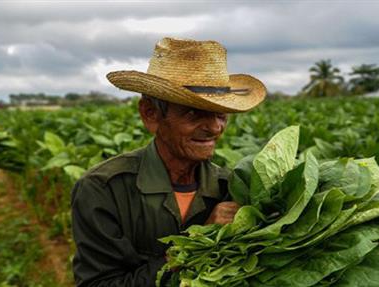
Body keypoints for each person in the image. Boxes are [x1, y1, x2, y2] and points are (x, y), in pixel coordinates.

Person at [71, 37, 266, 286]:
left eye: (220, 114)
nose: (215, 127)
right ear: (150, 114)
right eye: (193, 113)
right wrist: (197, 244)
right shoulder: (104, 189)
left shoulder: (232, 188)